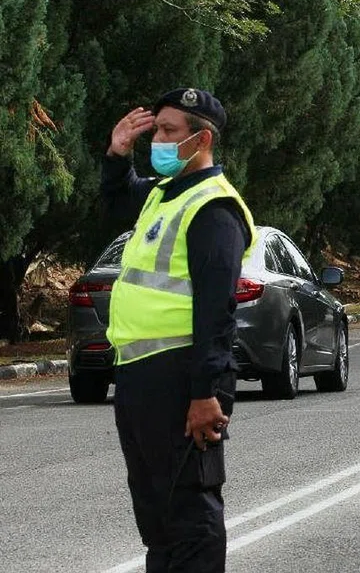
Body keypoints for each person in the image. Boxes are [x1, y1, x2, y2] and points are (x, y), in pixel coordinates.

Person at [103, 88, 257, 572]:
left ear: (202, 139)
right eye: (156, 131)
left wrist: (205, 391)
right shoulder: (161, 195)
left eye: (169, 132)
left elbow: (217, 310)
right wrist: (117, 153)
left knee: (189, 510)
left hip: (181, 377)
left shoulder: (214, 208)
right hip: (139, 375)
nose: (159, 141)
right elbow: (112, 206)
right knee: (156, 512)